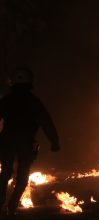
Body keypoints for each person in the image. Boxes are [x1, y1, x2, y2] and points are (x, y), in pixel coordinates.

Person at [0, 68, 60, 215]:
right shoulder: (34, 102)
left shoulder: (6, 101)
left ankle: (0, 202)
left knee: (5, 173)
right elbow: (46, 122)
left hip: (7, 141)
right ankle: (12, 206)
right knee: (22, 176)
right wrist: (54, 141)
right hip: (25, 143)